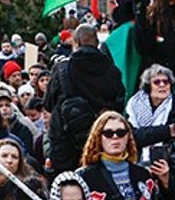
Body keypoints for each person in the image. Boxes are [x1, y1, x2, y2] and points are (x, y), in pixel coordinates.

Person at [44, 23, 126, 174]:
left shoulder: (63, 69)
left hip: (66, 143)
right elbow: (120, 102)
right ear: (96, 42)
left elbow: (48, 103)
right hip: (102, 140)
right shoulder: (112, 69)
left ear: (77, 42)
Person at [77, 111, 164, 200]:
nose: (115, 137)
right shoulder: (84, 177)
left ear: (128, 136)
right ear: (98, 137)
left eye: (121, 132)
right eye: (108, 133)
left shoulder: (143, 175)